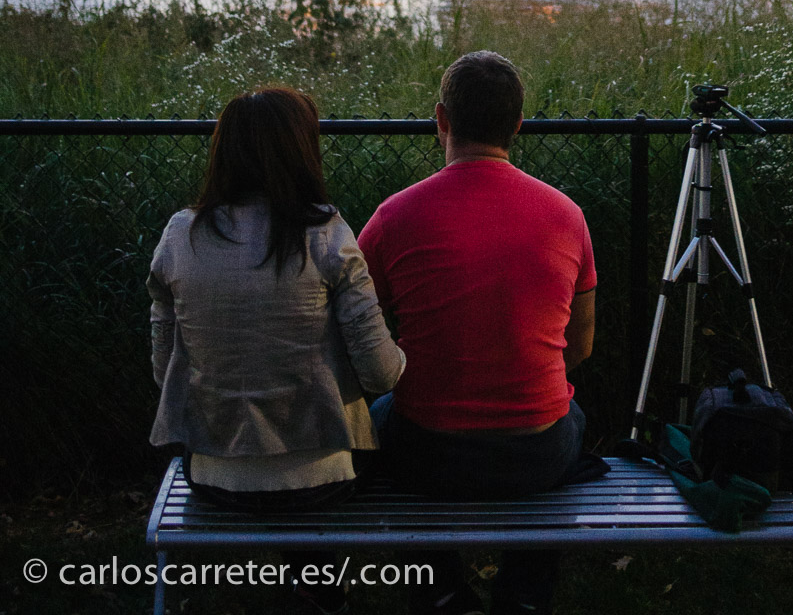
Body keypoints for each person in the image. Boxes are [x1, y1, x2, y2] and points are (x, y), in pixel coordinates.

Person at [148, 86, 403, 615]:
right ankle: (324, 591)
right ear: (303, 151)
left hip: (215, 479)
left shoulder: (179, 236)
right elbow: (381, 374)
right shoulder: (325, 234)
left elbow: (163, 370)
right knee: (387, 420)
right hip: (321, 485)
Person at [359, 50, 597, 615]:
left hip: (429, 451)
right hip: (535, 451)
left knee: (375, 424)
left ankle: (437, 588)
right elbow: (581, 348)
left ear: (441, 119)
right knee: (573, 417)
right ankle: (525, 593)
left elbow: (358, 332)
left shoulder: (394, 216)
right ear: (517, 125)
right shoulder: (567, 216)